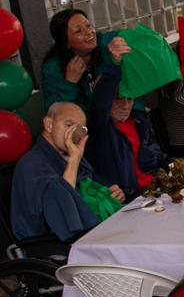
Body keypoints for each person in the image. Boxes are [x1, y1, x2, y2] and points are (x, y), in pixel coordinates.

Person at [11, 101, 124, 242]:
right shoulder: (31, 164)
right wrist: (74, 161)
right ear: (49, 125)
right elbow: (61, 210)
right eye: (69, 125)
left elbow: (90, 186)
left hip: (89, 232)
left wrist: (109, 194)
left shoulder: (68, 154)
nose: (75, 133)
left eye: (81, 128)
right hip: (51, 244)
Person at [85, 61, 167, 197]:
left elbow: (156, 156)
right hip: (132, 198)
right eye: (118, 98)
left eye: (130, 98)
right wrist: (116, 63)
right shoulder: (98, 128)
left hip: (158, 188)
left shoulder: (140, 121)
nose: (125, 105)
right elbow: (99, 103)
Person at [41, 9, 129, 108]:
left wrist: (121, 43)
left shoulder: (105, 45)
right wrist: (70, 82)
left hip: (118, 113)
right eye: (78, 31)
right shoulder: (52, 69)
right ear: (65, 42)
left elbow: (129, 38)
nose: (89, 32)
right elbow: (55, 111)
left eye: (88, 26)